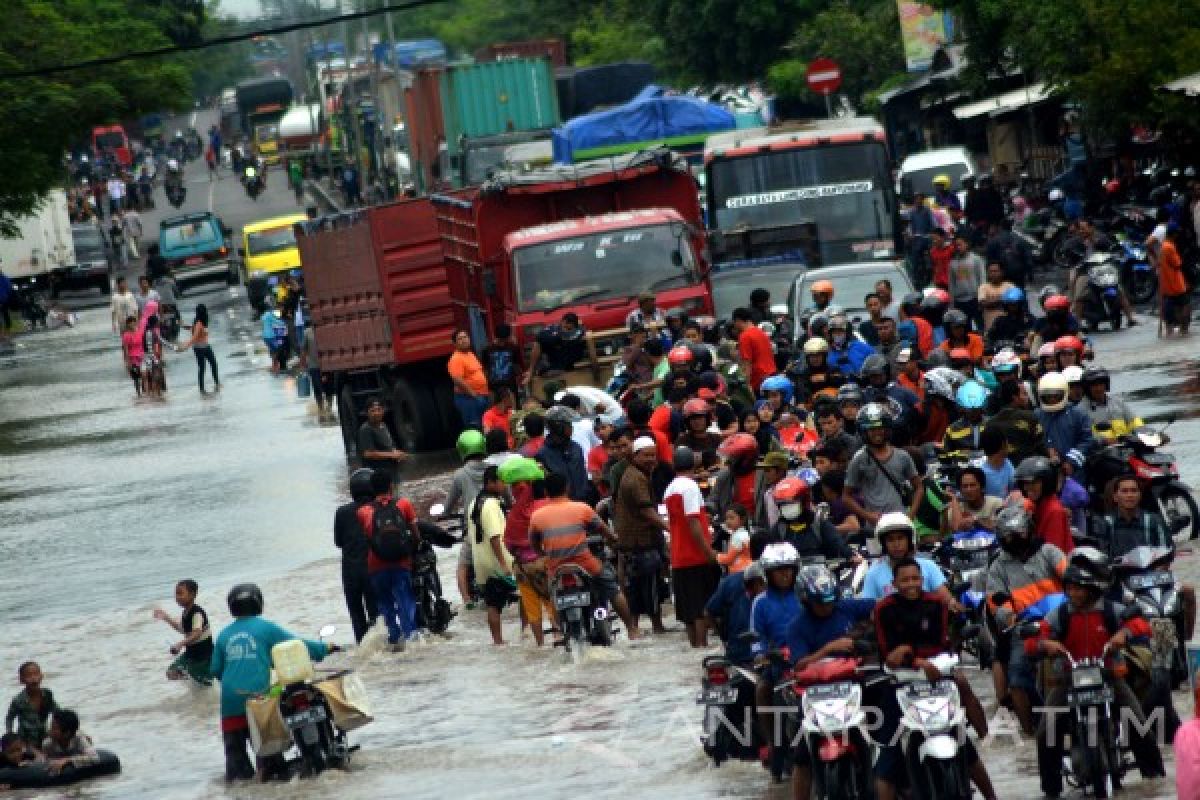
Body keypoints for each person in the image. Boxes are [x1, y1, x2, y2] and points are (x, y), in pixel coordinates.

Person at [1031, 550, 1166, 796]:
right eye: (1070, 588)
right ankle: (1051, 790)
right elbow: (1034, 639)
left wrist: (1123, 635)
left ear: (1092, 588)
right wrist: (1045, 644)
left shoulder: (1112, 610)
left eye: (1079, 588)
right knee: (1045, 732)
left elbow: (1141, 625)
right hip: (1069, 680)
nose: (1074, 593)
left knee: (1137, 721)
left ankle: (1155, 778)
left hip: (1109, 676)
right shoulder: (1059, 614)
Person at [874, 558, 995, 800]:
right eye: (905, 580)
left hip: (936, 680)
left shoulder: (936, 605)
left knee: (964, 745)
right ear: (894, 583)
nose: (911, 584)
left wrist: (928, 660)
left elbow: (942, 643)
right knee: (888, 760)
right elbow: (888, 654)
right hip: (900, 684)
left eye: (915, 579)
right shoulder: (883, 609)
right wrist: (914, 660)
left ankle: (991, 795)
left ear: (922, 579)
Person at [211, 584, 337, 782]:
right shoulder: (265, 628)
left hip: (230, 705)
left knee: (237, 775)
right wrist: (325, 647)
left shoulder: (223, 635)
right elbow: (297, 644)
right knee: (271, 765)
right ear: (258, 602)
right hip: (258, 701)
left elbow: (215, 670)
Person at [785, 563, 876, 800]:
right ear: (806, 601)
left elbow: (880, 608)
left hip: (853, 685)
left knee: (885, 734)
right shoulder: (797, 626)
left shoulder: (846, 607)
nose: (826, 607)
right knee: (802, 755)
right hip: (815, 693)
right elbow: (799, 665)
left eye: (829, 601)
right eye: (820, 603)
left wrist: (867, 631)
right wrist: (828, 649)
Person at [985, 503, 1067, 734]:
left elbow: (1069, 574)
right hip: (1025, 627)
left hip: (1060, 620)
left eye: (1019, 532)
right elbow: (996, 601)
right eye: (1008, 534)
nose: (1015, 538)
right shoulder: (999, 566)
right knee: (1017, 678)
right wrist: (1008, 617)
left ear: (1029, 530)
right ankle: (1029, 731)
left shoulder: (1048, 552)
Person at [530, 471, 641, 638]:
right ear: (567, 488)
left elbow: (534, 544)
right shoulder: (582, 508)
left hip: (557, 568)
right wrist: (613, 538)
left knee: (553, 594)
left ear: (546, 492)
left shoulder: (537, 517)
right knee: (612, 588)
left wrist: (545, 555)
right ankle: (632, 630)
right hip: (585, 564)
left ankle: (560, 631)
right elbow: (604, 530)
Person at [664, 446, 721, 647]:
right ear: (694, 463)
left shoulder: (669, 488)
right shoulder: (690, 487)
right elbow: (693, 522)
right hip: (695, 556)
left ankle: (695, 649)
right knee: (700, 608)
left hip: (678, 557)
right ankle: (702, 648)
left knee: (688, 610)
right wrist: (708, 552)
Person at [358, 469, 421, 649]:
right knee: (405, 602)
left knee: (385, 605)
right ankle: (411, 640)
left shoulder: (363, 512)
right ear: (391, 486)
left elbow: (367, 537)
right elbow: (415, 533)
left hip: (376, 566)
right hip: (401, 563)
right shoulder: (404, 504)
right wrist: (414, 546)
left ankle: (393, 640)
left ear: (372, 489)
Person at [612, 436, 669, 633]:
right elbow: (647, 511)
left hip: (630, 543)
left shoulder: (635, 473)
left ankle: (634, 630)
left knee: (633, 588)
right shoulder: (636, 479)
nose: (651, 459)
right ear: (636, 455)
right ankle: (657, 627)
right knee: (650, 587)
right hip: (641, 542)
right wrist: (669, 527)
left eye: (654, 455)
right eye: (646, 455)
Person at [499, 457, 554, 646]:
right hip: (543, 563)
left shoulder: (514, 513)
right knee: (551, 602)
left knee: (532, 608)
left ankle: (540, 644)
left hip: (522, 567)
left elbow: (508, 544)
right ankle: (558, 636)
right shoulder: (545, 507)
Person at [843, 403, 922, 525]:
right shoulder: (859, 459)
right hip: (875, 525)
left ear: (887, 429)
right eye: (872, 430)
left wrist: (910, 516)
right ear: (864, 431)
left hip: (901, 521)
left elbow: (919, 487)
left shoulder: (902, 456)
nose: (877, 433)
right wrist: (867, 515)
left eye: (880, 428)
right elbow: (846, 497)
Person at [468, 466, 516, 645]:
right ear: (490, 483)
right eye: (501, 481)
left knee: (492, 604)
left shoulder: (474, 503)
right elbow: (495, 537)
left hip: (481, 561)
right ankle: (526, 633)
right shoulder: (490, 505)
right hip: (499, 561)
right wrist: (504, 564)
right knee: (525, 595)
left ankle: (498, 642)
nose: (505, 485)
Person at [334, 469, 379, 643]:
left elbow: (338, 542)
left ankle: (362, 646)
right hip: (373, 568)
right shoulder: (376, 509)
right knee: (376, 613)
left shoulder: (341, 512)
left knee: (356, 614)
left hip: (350, 572)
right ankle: (381, 647)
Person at [152, 579, 213, 685]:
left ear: (192, 594)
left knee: (205, 684)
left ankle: (205, 693)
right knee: (171, 673)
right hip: (190, 654)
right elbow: (182, 629)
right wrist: (166, 617)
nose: (177, 597)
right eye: (176, 594)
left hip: (203, 656)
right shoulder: (185, 612)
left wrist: (180, 644)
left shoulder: (197, 612)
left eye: (180, 593)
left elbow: (197, 633)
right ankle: (193, 681)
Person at [1035, 372, 1095, 468]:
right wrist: (1046, 451)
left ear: (1065, 393)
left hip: (1075, 470)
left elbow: (1087, 440)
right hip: (1046, 469)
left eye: (1056, 396)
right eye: (1048, 396)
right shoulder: (1036, 415)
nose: (1052, 400)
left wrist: (1071, 461)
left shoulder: (1078, 413)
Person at [536, 406, 591, 503]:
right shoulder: (543, 454)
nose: (571, 427)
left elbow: (582, 476)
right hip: (559, 506)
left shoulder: (576, 448)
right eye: (568, 425)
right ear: (558, 427)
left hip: (582, 503)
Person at [988, 380, 1048, 464]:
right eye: (1024, 393)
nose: (1027, 397)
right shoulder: (1030, 417)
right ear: (1015, 397)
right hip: (1028, 469)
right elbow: (1041, 446)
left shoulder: (990, 423)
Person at [5, 662, 57, 750]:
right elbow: (9, 718)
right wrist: (11, 737)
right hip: (26, 741)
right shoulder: (18, 700)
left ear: (41, 676)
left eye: (36, 674)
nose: (33, 678)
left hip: (44, 736)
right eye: (29, 676)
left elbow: (59, 713)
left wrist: (74, 732)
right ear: (22, 680)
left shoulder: (47, 695)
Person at [356, 397, 407, 487]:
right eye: (373, 411)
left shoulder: (383, 425)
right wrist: (392, 455)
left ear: (383, 410)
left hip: (391, 471)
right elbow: (368, 453)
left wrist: (396, 453)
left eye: (379, 410)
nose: (376, 413)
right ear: (367, 413)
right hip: (378, 475)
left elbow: (389, 446)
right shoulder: (366, 429)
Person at [525, 312, 587, 384]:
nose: (567, 330)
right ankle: (531, 372)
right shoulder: (549, 333)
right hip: (553, 367)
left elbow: (580, 330)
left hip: (570, 365)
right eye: (566, 328)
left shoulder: (579, 331)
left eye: (570, 329)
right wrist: (531, 371)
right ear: (562, 322)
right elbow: (538, 343)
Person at [447, 329, 490, 429]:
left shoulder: (470, 354)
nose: (464, 340)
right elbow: (458, 380)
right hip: (468, 399)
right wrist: (473, 394)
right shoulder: (456, 359)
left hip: (480, 396)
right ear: (455, 343)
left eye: (465, 337)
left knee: (484, 425)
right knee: (474, 427)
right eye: (460, 339)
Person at [173, 304, 220, 392]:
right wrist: (185, 347)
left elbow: (192, 329)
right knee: (203, 367)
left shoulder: (199, 321)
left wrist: (182, 325)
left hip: (205, 346)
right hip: (199, 348)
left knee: (212, 364)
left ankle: (215, 383)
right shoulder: (199, 323)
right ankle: (203, 388)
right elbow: (194, 337)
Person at [40, 710, 99, 776]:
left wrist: (67, 760)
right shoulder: (47, 744)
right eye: (51, 727)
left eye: (54, 728)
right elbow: (44, 761)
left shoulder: (79, 738)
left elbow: (94, 758)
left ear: (67, 733)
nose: (50, 730)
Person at [731, 307, 775, 393]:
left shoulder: (745, 336)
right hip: (771, 374)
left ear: (738, 320)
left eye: (734, 322)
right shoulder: (761, 332)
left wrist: (747, 385)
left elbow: (747, 363)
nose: (734, 325)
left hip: (758, 379)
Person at [948, 467, 1004, 532]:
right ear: (960, 489)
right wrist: (954, 498)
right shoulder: (956, 509)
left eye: (972, 485)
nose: (968, 490)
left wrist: (976, 520)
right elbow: (956, 529)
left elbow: (1002, 528)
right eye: (965, 486)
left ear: (981, 486)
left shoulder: (997, 503)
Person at [1159, 225, 1190, 335]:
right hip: (1176, 283)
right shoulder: (1169, 247)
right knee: (1184, 305)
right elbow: (1177, 264)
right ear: (1174, 234)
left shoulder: (1163, 246)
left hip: (1167, 283)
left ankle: (1171, 330)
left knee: (1173, 305)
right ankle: (1184, 329)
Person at [481, 323, 523, 399]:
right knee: (512, 409)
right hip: (507, 386)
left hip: (495, 387)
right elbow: (518, 366)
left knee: (497, 409)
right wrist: (520, 381)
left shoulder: (486, 349)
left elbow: (484, 368)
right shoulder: (514, 347)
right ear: (508, 336)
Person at [978, 427, 1016, 499]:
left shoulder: (1007, 463)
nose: (1009, 448)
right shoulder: (980, 472)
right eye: (1007, 445)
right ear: (1002, 446)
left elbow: (1015, 487)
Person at [717, 504, 753, 573]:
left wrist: (715, 556)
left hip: (740, 572)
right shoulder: (741, 533)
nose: (728, 521)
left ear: (742, 519)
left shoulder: (738, 537)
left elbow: (729, 559)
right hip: (743, 570)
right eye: (726, 518)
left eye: (731, 518)